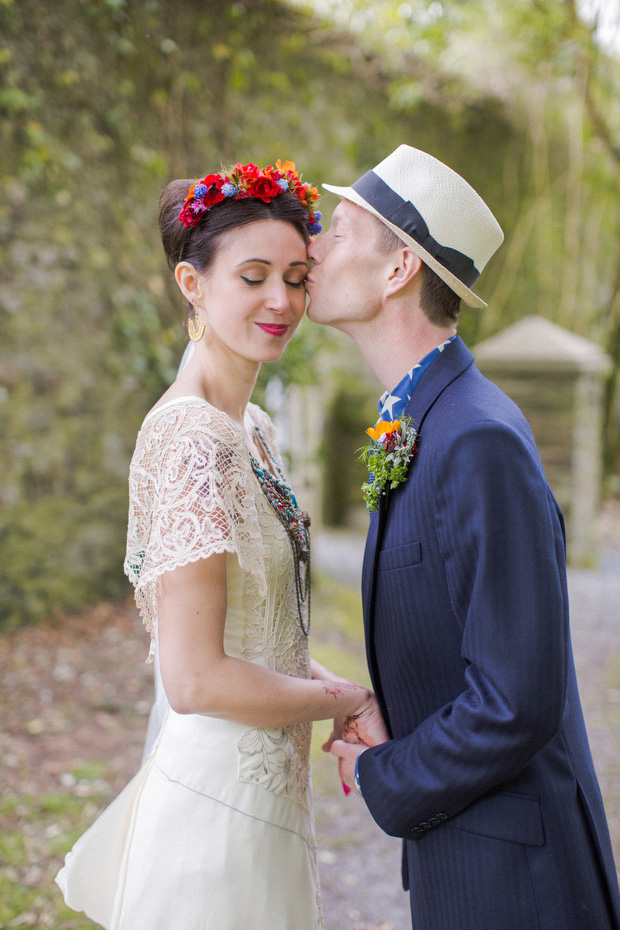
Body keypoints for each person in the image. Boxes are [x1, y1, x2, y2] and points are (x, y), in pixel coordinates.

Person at [55, 159, 388, 930]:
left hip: (268, 797)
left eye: (298, 276)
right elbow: (196, 678)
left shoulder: (252, 431)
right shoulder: (194, 441)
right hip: (216, 806)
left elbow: (260, 631)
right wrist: (349, 699)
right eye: (254, 276)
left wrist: (331, 689)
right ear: (192, 284)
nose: (283, 300)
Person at [307, 144, 620, 930]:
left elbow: (518, 700)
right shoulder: (421, 419)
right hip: (477, 860)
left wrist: (388, 771)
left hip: (521, 883)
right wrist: (395, 711)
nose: (313, 244)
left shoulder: (477, 437)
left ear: (397, 269)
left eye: (339, 228)